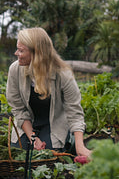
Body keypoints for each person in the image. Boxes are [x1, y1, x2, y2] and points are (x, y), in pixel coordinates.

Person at [6, 27, 91, 158]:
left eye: (21, 50)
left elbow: (74, 111)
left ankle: (71, 143)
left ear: (37, 54)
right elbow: (18, 109)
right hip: (27, 124)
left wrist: (81, 147)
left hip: (53, 124)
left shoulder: (63, 74)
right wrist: (33, 138)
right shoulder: (15, 70)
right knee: (21, 155)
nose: (16, 53)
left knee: (49, 156)